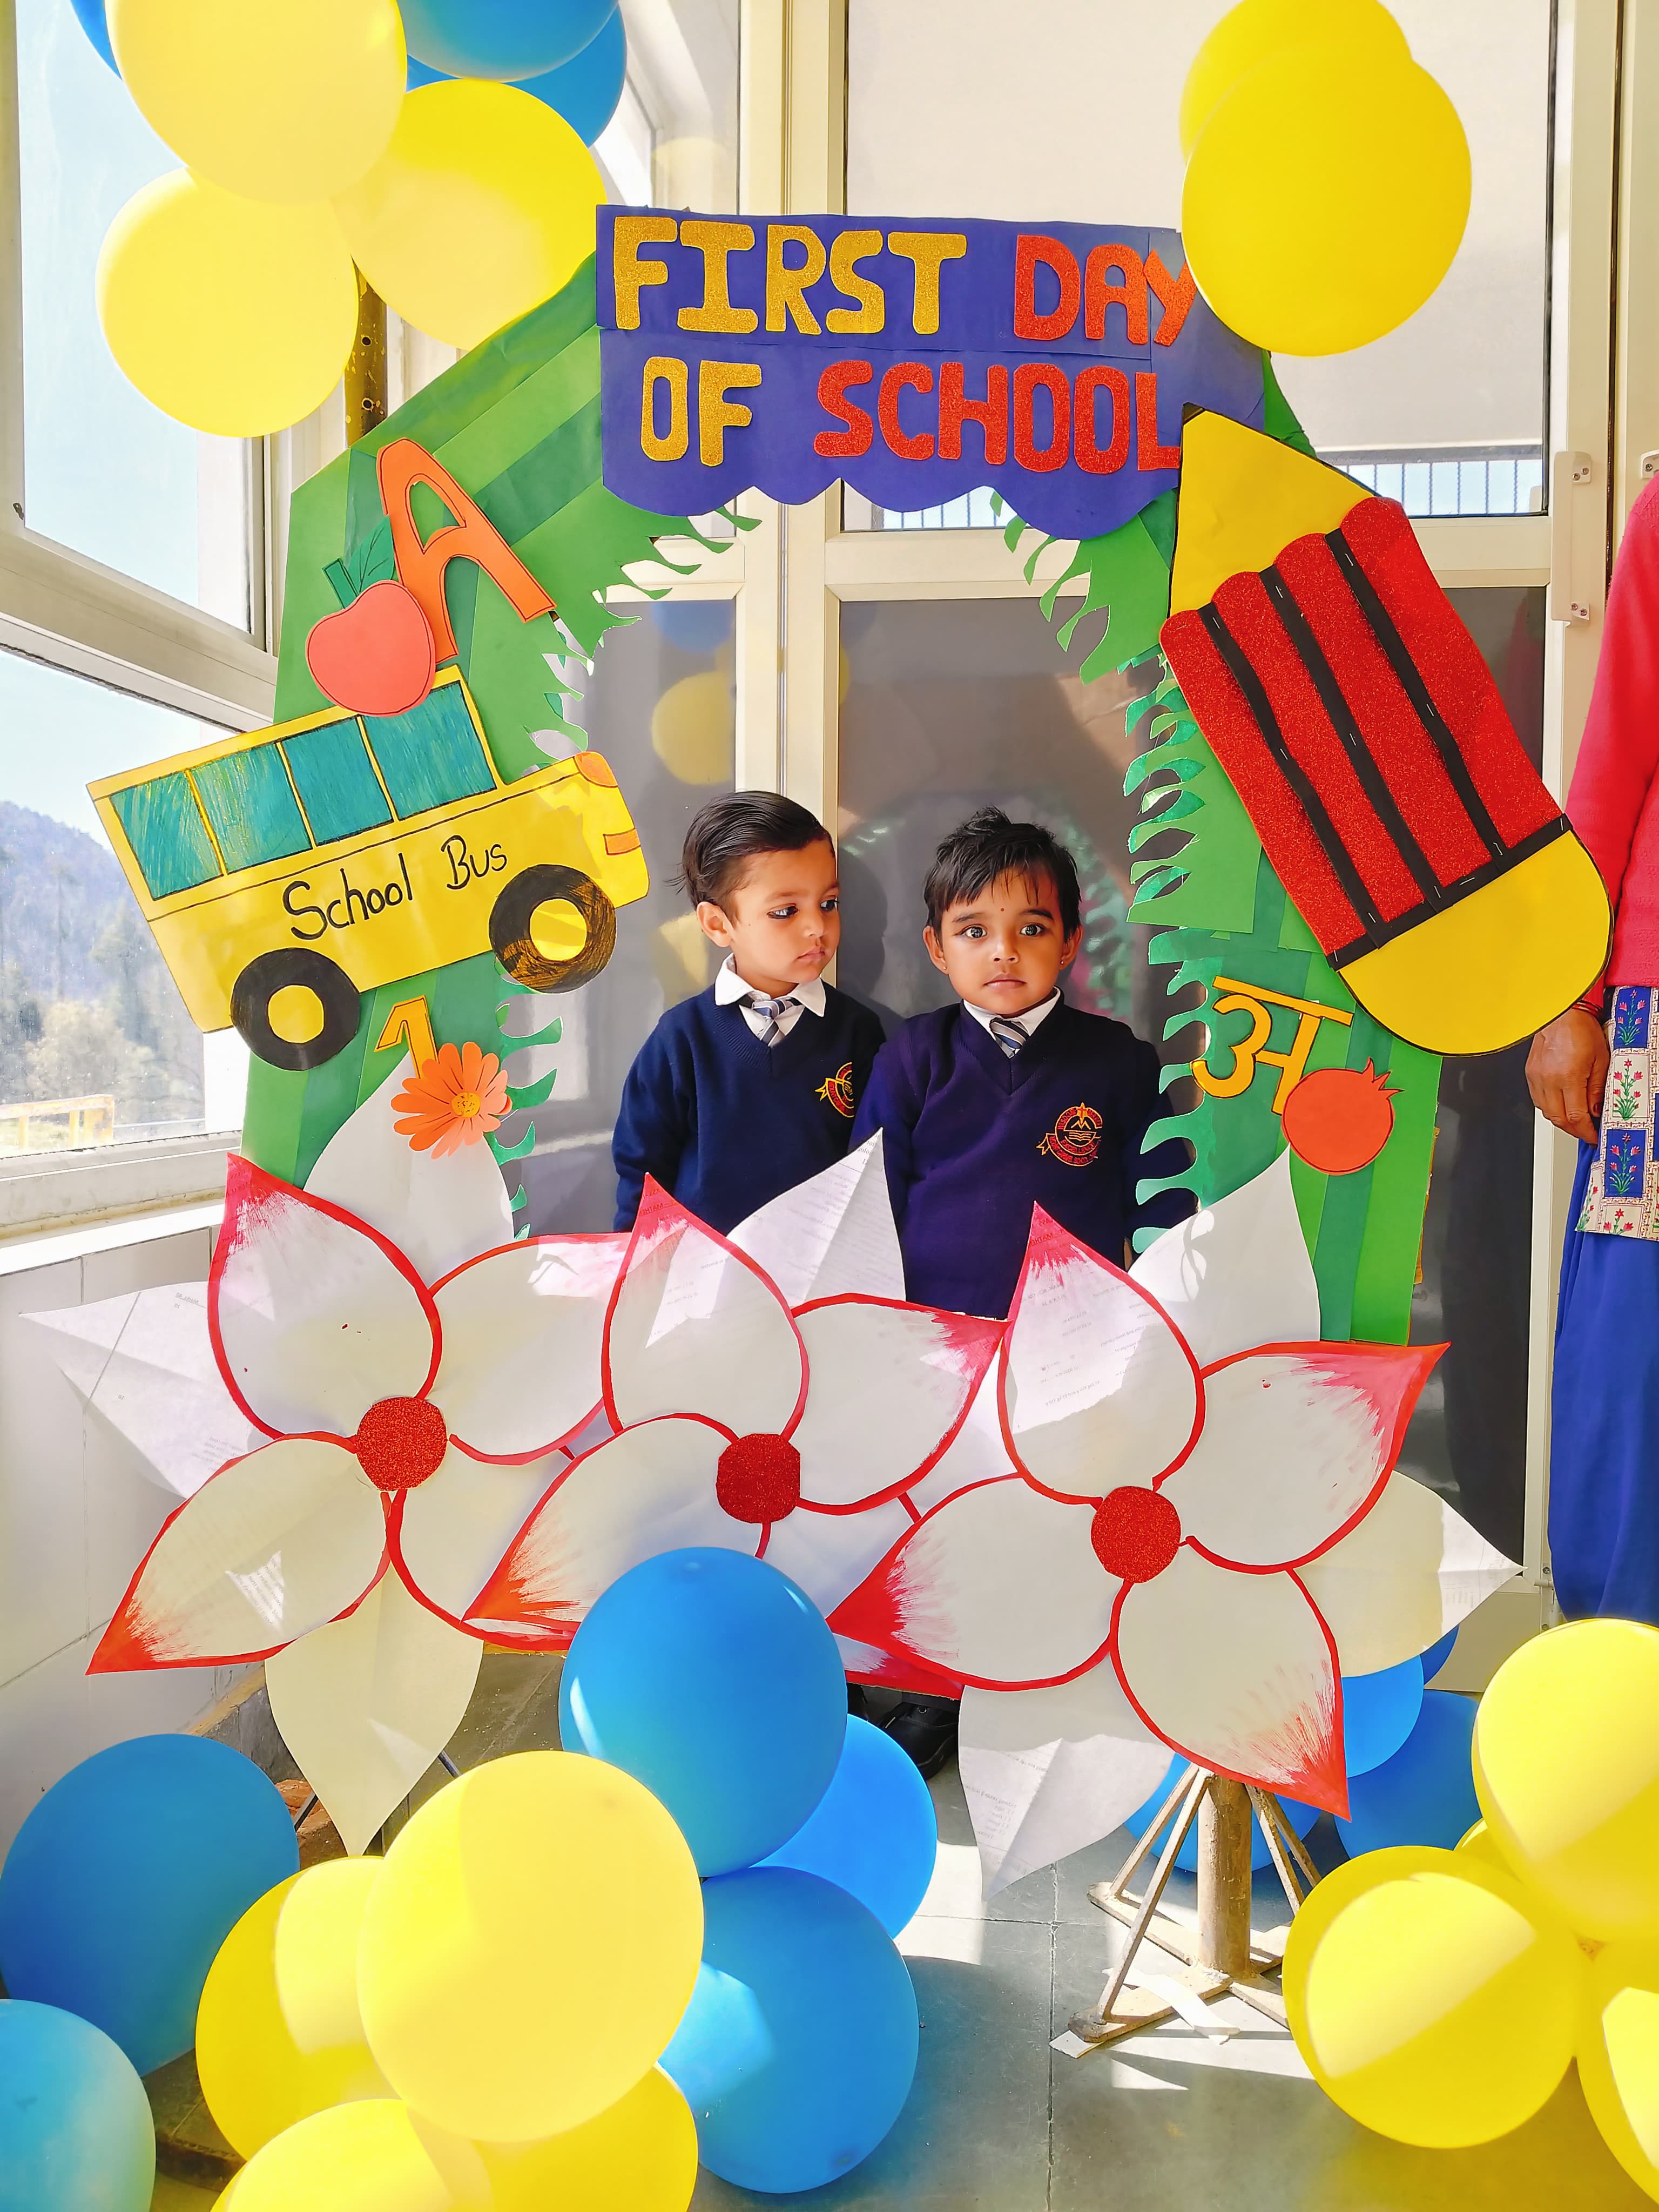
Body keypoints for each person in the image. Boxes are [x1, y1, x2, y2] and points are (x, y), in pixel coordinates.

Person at [852, 806, 1190, 1773]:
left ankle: (1043, 1688)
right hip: (939, 1349)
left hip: (1069, 1351)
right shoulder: (912, 1059)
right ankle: (935, 1692)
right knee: (942, 1519)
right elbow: (865, 1203)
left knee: (1052, 1515)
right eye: (974, 930)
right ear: (937, 948)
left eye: (1030, 927)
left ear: (1070, 942)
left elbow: (1163, 1208)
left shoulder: (1119, 1064)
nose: (1003, 951)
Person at [1528, 477, 1659, 1627]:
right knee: (1633, 1338)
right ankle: (1617, 1663)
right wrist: (1571, 995)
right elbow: (1612, 760)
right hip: (1654, 1012)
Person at [612, 791, 885, 1235]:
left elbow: (876, 1172)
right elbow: (642, 1175)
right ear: (718, 924)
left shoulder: (860, 1034)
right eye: (785, 912)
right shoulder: (680, 1040)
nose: (817, 927)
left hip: (824, 1271)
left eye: (829, 904)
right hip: (702, 1271)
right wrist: (638, 1261)